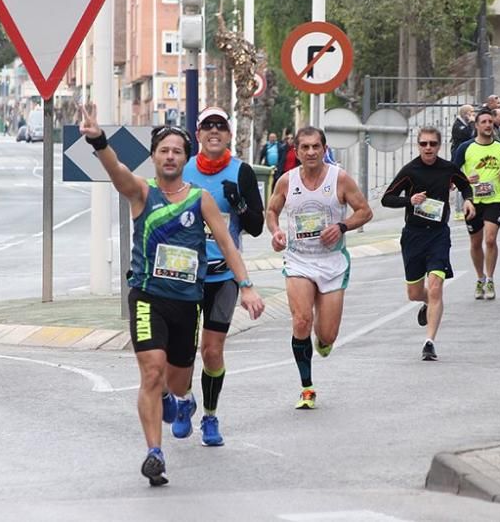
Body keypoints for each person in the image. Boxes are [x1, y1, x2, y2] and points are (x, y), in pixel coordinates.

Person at [78, 102, 264, 486]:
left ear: (185, 158)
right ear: (154, 156)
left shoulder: (200, 200)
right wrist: (98, 140)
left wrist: (246, 286)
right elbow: (115, 170)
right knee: (151, 373)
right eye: (163, 150)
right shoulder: (141, 193)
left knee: (178, 382)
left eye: (177, 151)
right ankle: (154, 454)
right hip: (147, 296)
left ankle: (183, 400)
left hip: (186, 302)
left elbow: (229, 245)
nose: (170, 156)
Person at [266, 126, 373, 409]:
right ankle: (307, 388)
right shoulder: (287, 181)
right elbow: (272, 210)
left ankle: (323, 342)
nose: (311, 152)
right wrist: (276, 232)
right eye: (305, 147)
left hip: (331, 263)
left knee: (326, 335)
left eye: (316, 147)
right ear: (296, 151)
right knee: (301, 320)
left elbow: (365, 211)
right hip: (299, 259)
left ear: (324, 149)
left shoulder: (340, 178)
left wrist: (341, 226)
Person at [182, 106, 265, 446]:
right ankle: (184, 398)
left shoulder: (241, 171)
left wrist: (239, 205)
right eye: (207, 126)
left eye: (220, 126)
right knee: (182, 351)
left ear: (229, 134)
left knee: (211, 351)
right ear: (198, 134)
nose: (213, 131)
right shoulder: (181, 167)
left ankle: (210, 416)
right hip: (184, 274)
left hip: (223, 275)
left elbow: (257, 228)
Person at [381, 127, 475, 361]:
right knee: (415, 293)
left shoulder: (448, 168)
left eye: (432, 144)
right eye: (424, 144)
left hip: (438, 235)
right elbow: (387, 198)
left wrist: (469, 201)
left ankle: (429, 342)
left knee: (436, 288)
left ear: (439, 146)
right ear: (418, 146)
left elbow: (464, 184)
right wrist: (409, 201)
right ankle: (427, 303)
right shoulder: (410, 171)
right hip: (413, 235)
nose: (428, 148)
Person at [453, 108, 500, 301]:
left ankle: (490, 279)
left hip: (495, 199)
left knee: (490, 239)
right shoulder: (465, 148)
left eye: (490, 121)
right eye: (484, 122)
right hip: (472, 201)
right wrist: (465, 179)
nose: (488, 125)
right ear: (477, 125)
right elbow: (451, 174)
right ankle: (479, 278)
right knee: (475, 242)